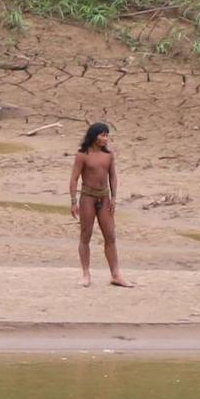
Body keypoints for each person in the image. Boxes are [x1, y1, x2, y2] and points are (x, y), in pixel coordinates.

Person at [68, 122, 130, 288]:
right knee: (85, 236)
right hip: (87, 197)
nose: (105, 138)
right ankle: (86, 274)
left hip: (104, 198)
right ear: (93, 136)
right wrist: (74, 201)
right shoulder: (82, 154)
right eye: (102, 135)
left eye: (106, 135)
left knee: (110, 236)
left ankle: (116, 274)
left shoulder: (109, 155)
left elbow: (113, 177)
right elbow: (74, 179)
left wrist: (114, 197)